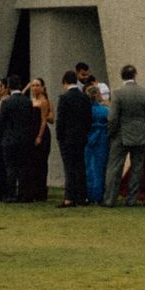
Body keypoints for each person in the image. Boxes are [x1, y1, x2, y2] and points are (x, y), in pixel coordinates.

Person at [104, 64, 145, 205]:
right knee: (137, 168)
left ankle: (110, 199)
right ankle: (131, 199)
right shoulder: (144, 93)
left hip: (121, 134)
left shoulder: (118, 93)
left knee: (115, 167)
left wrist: (111, 132)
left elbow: (112, 117)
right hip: (140, 134)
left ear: (122, 76)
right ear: (135, 75)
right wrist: (144, 128)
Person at [55, 69, 92, 207]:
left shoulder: (64, 98)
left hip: (67, 138)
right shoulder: (84, 97)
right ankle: (82, 197)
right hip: (81, 137)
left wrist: (59, 136)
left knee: (69, 167)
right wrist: (85, 132)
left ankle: (69, 198)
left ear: (64, 82)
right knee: (80, 166)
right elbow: (88, 119)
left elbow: (60, 120)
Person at [0, 75, 34, 201]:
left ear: (9, 87)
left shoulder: (6, 102)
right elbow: (31, 120)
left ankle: (11, 194)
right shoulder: (27, 101)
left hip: (9, 139)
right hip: (24, 139)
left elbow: (1, 122)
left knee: (10, 168)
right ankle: (23, 194)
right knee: (23, 167)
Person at [83, 81, 110, 203]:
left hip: (88, 138)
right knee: (100, 166)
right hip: (102, 138)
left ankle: (89, 193)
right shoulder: (104, 110)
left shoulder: (85, 110)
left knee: (88, 166)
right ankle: (99, 194)